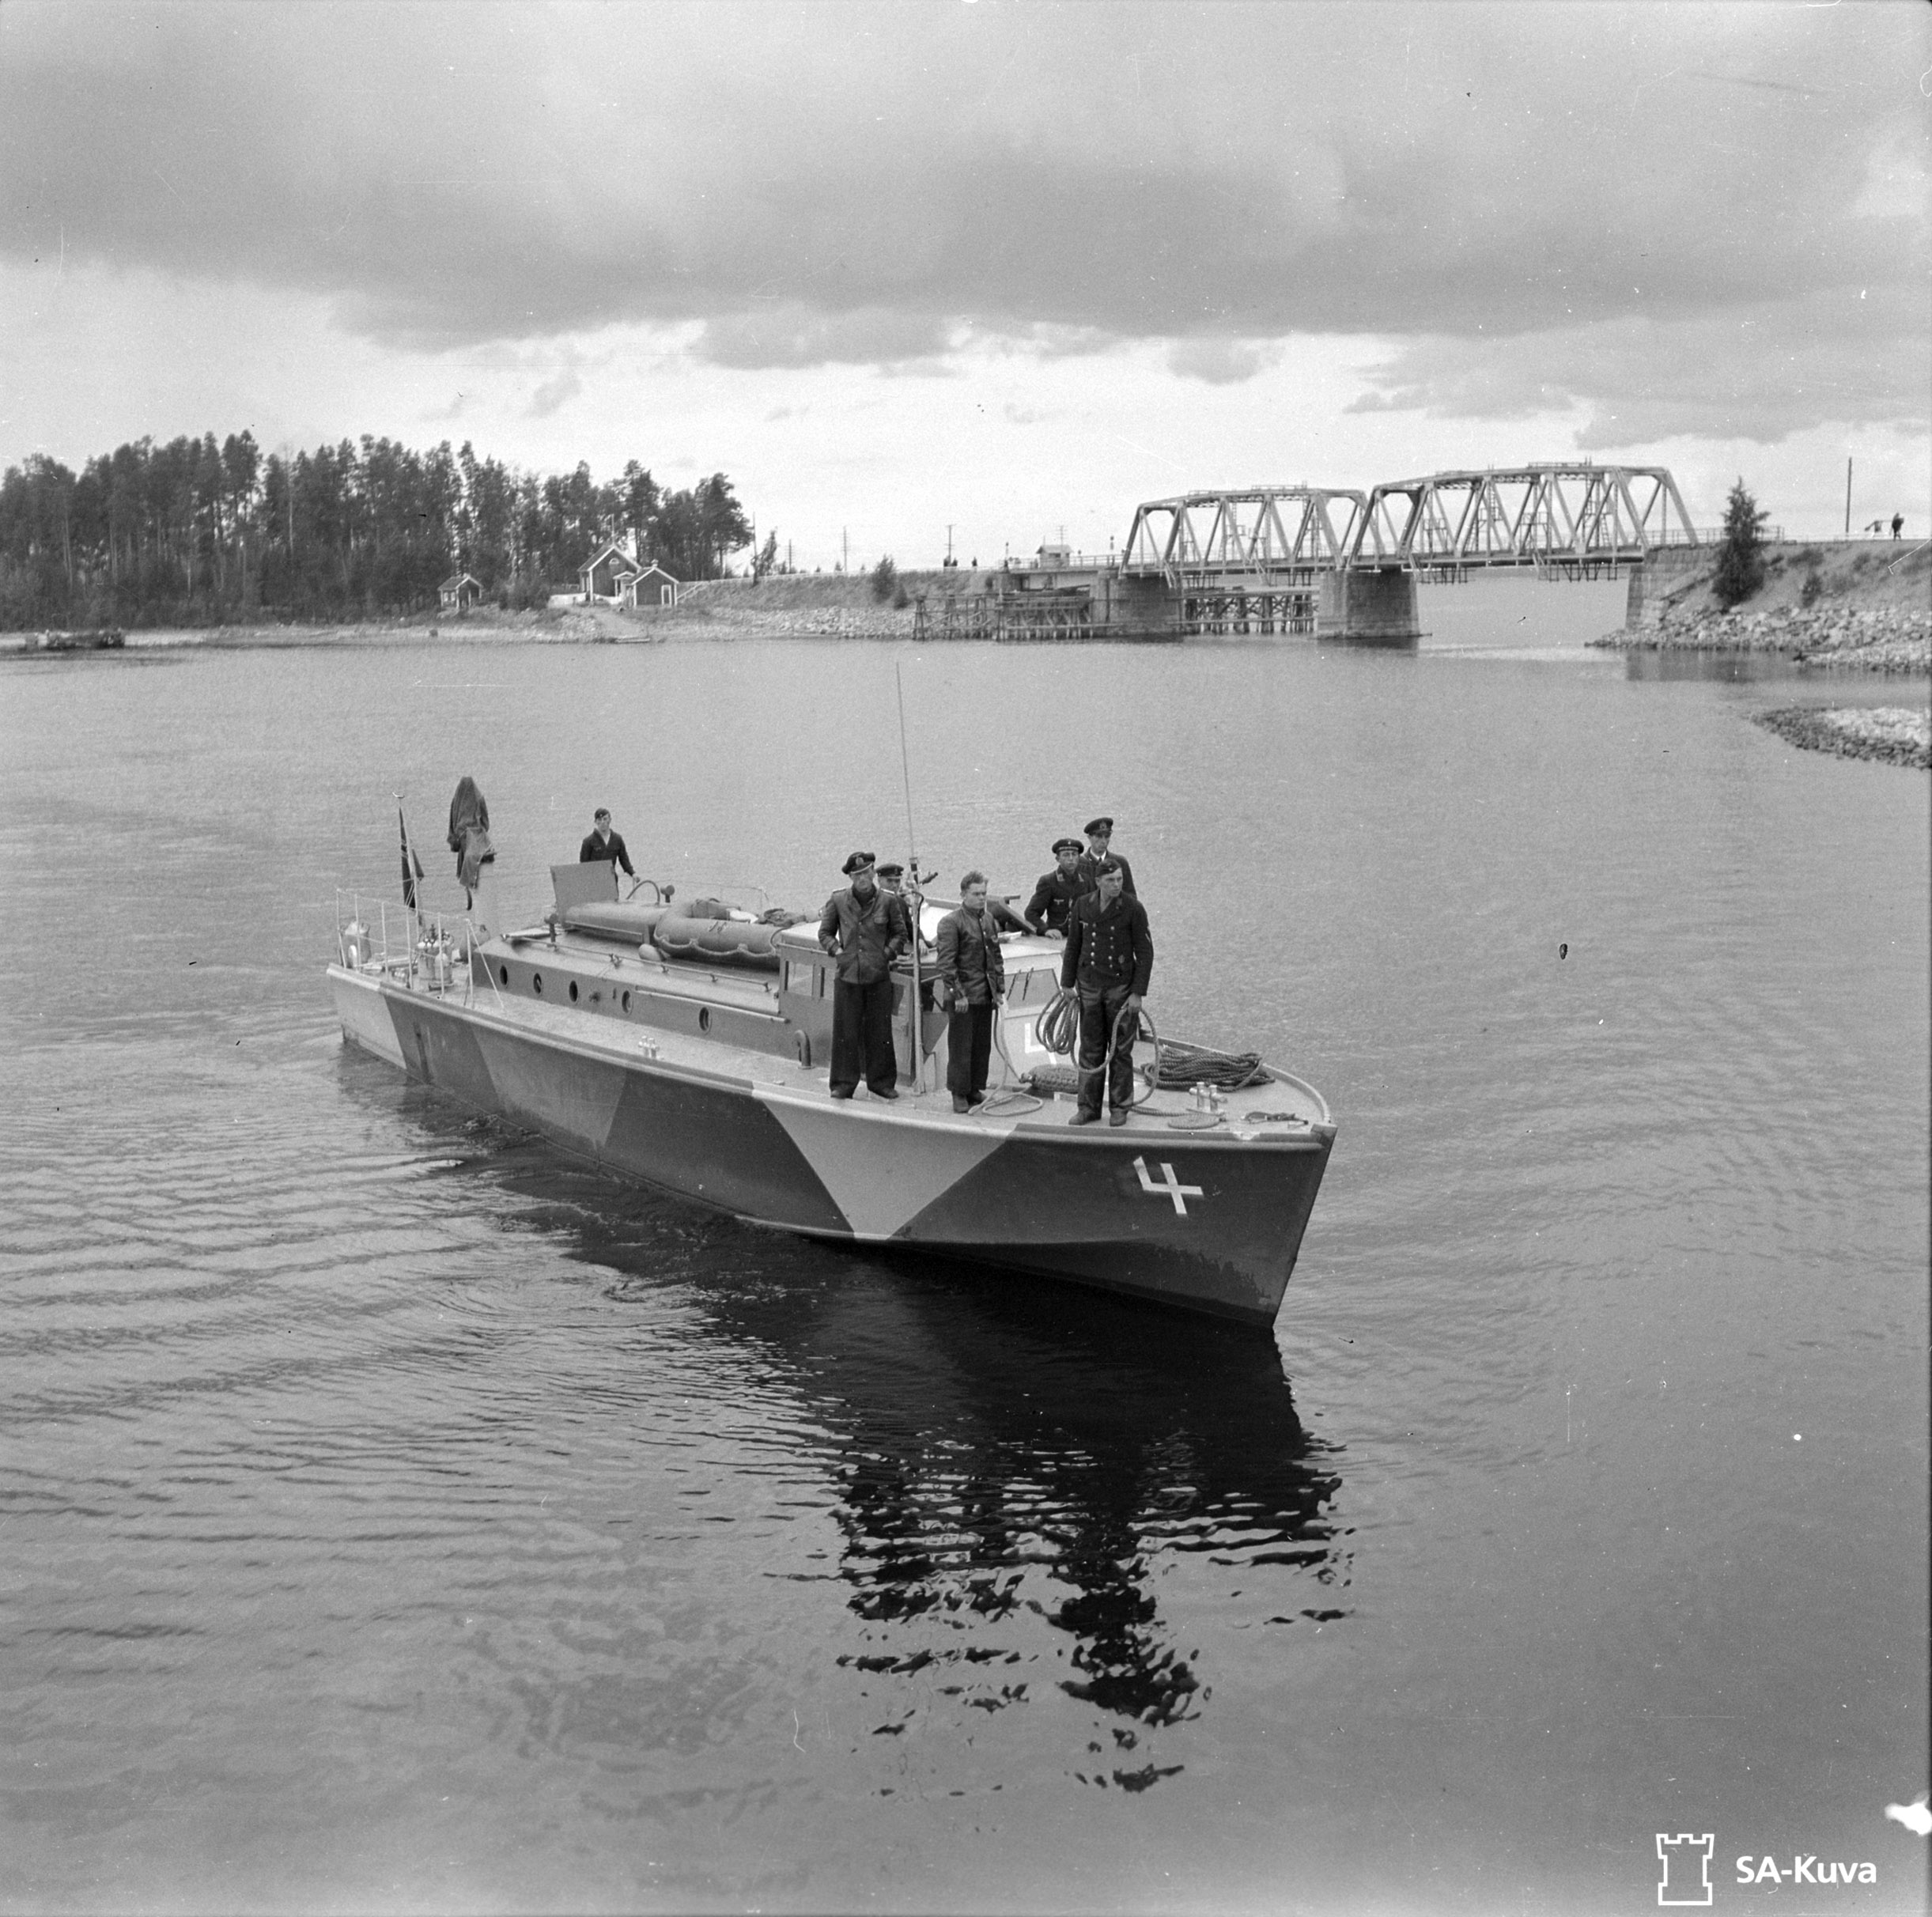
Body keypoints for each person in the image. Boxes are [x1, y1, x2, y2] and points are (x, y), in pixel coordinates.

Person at [1061, 858, 1153, 1127]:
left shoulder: (1133, 908)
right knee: (1090, 1049)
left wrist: (1137, 993)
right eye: (1111, 880)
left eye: (1120, 880)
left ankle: (1120, 1107)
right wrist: (1067, 984)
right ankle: (1088, 1107)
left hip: (1120, 988)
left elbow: (1145, 953)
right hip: (1089, 986)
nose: (1116, 885)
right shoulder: (1083, 905)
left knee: (1120, 1051)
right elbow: (1074, 946)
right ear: (1099, 882)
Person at [818, 852, 912, 1100]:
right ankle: (842, 1083)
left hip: (878, 976)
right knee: (845, 1032)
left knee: (880, 1032)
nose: (863, 878)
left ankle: (881, 1083)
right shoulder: (838, 901)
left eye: (867, 872)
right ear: (851, 877)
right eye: (857, 874)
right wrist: (838, 951)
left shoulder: (888, 902)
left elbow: (900, 934)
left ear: (873, 873)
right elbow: (825, 933)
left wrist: (887, 954)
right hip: (848, 976)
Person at [935, 872, 1006, 1113]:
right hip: (963, 997)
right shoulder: (951, 923)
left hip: (985, 994)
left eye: (984, 894)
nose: (981, 898)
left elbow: (995, 957)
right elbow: (946, 962)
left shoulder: (987, 921)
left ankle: (975, 1087)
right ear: (963, 895)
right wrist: (958, 994)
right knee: (961, 1047)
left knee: (980, 1046)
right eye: (976, 894)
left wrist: (999, 989)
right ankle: (959, 1092)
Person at [1024, 837, 1093, 936]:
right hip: (1057, 937)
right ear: (1058, 859)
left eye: (1074, 855)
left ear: (1079, 857)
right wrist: (1046, 930)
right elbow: (1031, 913)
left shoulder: (1086, 881)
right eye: (1066, 855)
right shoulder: (1049, 881)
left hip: (1082, 936)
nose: (1071, 859)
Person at [1076, 817, 1136, 898]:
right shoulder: (1079, 864)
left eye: (1107, 836)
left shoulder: (1120, 862)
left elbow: (1131, 897)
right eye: (1099, 836)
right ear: (1089, 838)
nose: (1103, 841)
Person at [579, 808, 636, 881]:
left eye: (605, 819)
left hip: (611, 880)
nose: (602, 822)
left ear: (610, 820)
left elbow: (624, 859)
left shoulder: (617, 839)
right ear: (596, 822)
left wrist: (633, 874)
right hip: (594, 882)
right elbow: (583, 866)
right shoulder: (588, 841)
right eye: (599, 820)